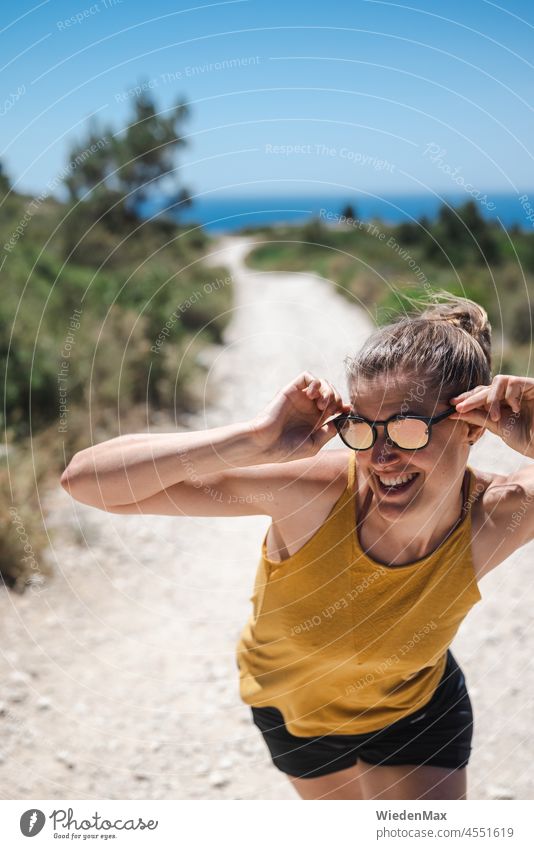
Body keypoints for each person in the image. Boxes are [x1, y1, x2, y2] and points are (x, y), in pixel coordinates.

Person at [60, 291, 534, 801]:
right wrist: (254, 439)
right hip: (298, 716)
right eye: (364, 429)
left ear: (469, 427)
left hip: (418, 709)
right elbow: (86, 482)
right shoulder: (314, 491)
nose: (381, 456)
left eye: (406, 428)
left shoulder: (498, 513)